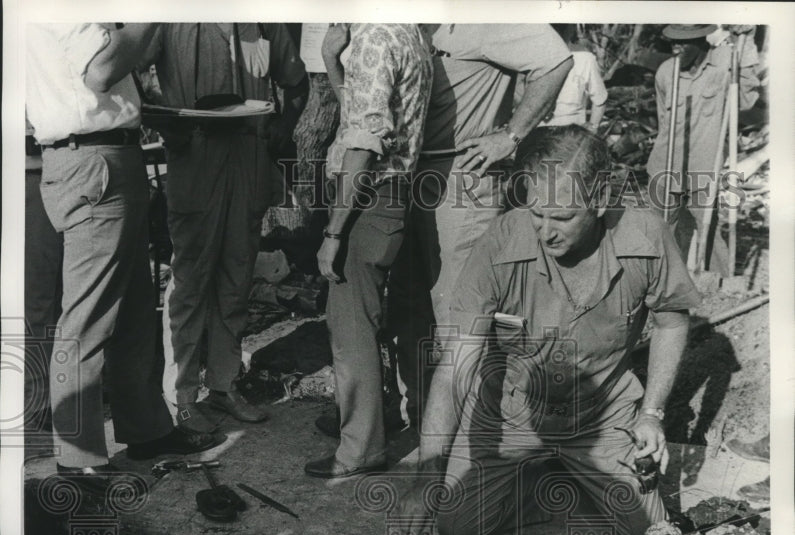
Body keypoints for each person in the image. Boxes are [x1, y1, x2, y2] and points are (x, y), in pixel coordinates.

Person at [397, 126, 702, 535]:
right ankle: (545, 476)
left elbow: (672, 322)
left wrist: (651, 413)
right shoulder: (502, 240)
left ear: (598, 201)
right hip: (511, 411)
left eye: (561, 217)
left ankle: (576, 474)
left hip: (602, 414)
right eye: (536, 213)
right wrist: (426, 476)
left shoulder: (646, 236)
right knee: (458, 528)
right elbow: (456, 366)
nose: (545, 231)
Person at [26, 23, 220, 497]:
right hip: (93, 161)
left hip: (109, 157)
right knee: (86, 320)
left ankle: (147, 428)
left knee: (134, 307)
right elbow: (101, 71)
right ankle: (78, 459)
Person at [386, 23, 573, 429]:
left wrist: (511, 135)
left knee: (460, 312)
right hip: (409, 174)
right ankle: (420, 417)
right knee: (407, 301)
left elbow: (557, 60)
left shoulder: (487, 16)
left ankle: (472, 433)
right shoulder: (415, 21)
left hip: (460, 174)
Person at [146, 23, 308, 431]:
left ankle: (224, 385)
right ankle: (180, 398)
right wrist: (168, 126)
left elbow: (296, 81)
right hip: (194, 154)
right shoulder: (168, 18)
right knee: (190, 282)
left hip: (249, 153)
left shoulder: (261, 18)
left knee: (236, 278)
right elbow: (132, 72)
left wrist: (282, 130)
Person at [304, 23, 433, 479]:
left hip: (366, 199)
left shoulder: (375, 38)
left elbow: (363, 142)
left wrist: (334, 231)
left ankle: (359, 448)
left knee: (351, 325)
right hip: (392, 195)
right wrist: (334, 63)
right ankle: (367, 419)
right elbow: (363, 114)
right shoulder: (407, 32)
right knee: (368, 316)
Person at [646, 24, 759, 276]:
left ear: (701, 41)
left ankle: (720, 281)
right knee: (661, 227)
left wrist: (748, 39)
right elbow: (663, 119)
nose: (676, 48)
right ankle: (660, 279)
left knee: (709, 224)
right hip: (665, 164)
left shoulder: (724, 64)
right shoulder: (667, 71)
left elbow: (747, 100)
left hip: (704, 164)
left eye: (683, 42)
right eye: (672, 42)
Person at [24, 119, 62, 441]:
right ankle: (36, 401)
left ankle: (58, 394)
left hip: (63, 169)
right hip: (25, 174)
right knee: (36, 298)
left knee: (63, 296)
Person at [541, 24, 608, 130]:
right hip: (537, 131)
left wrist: (592, 128)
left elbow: (600, 100)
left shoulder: (585, 60)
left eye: (562, 28)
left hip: (570, 133)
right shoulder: (533, 59)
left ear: (570, 29)